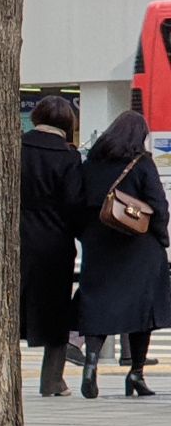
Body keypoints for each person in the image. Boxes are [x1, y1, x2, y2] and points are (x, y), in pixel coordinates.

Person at [76, 111, 169, 398]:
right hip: (138, 246)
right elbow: (157, 204)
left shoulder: (92, 163)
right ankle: (136, 373)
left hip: (99, 245)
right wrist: (162, 238)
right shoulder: (141, 163)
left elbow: (77, 201)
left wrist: (86, 235)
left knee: (99, 304)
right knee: (144, 309)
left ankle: (91, 363)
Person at [19, 95, 83, 396]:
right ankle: (52, 379)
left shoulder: (17, 146)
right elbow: (73, 204)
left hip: (16, 237)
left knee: (11, 306)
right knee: (56, 310)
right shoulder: (68, 156)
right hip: (55, 243)